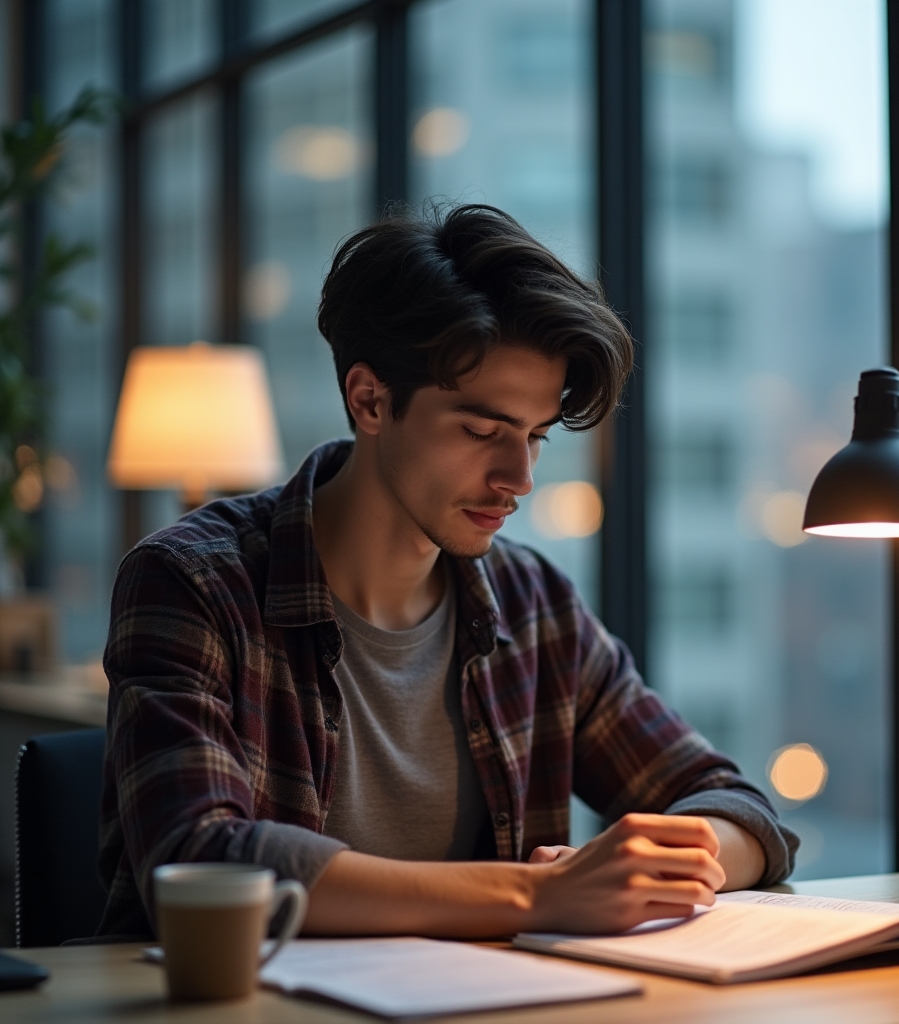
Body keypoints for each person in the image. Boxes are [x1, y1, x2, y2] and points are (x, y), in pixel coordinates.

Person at [97, 204, 797, 939]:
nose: (519, 477)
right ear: (370, 400)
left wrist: (635, 866)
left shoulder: (535, 606)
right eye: (481, 431)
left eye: (535, 437)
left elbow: (736, 807)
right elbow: (200, 861)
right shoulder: (192, 583)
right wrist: (537, 895)